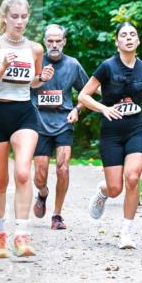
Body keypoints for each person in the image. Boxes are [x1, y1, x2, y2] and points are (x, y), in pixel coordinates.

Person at [0, 0, 54, 258]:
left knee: (23, 172)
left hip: (24, 114)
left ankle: (21, 235)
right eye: (14, 17)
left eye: (23, 17)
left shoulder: (35, 49)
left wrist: (42, 78)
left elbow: (32, 82)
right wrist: (1, 67)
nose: (19, 22)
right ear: (5, 17)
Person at [78, 22, 142, 249]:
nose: (129, 38)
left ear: (138, 41)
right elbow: (84, 96)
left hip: (135, 128)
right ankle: (103, 191)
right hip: (111, 131)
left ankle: (126, 233)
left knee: (132, 178)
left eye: (133, 34)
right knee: (115, 189)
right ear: (117, 42)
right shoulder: (107, 67)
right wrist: (103, 109)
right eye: (124, 35)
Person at [31, 24, 89, 230]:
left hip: (64, 122)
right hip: (39, 123)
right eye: (50, 41)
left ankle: (57, 215)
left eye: (58, 41)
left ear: (64, 42)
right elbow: (21, 87)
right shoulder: (35, 62)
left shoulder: (73, 65)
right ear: (44, 42)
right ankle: (42, 193)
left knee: (63, 168)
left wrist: (77, 109)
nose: (54, 45)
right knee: (40, 177)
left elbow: (87, 92)